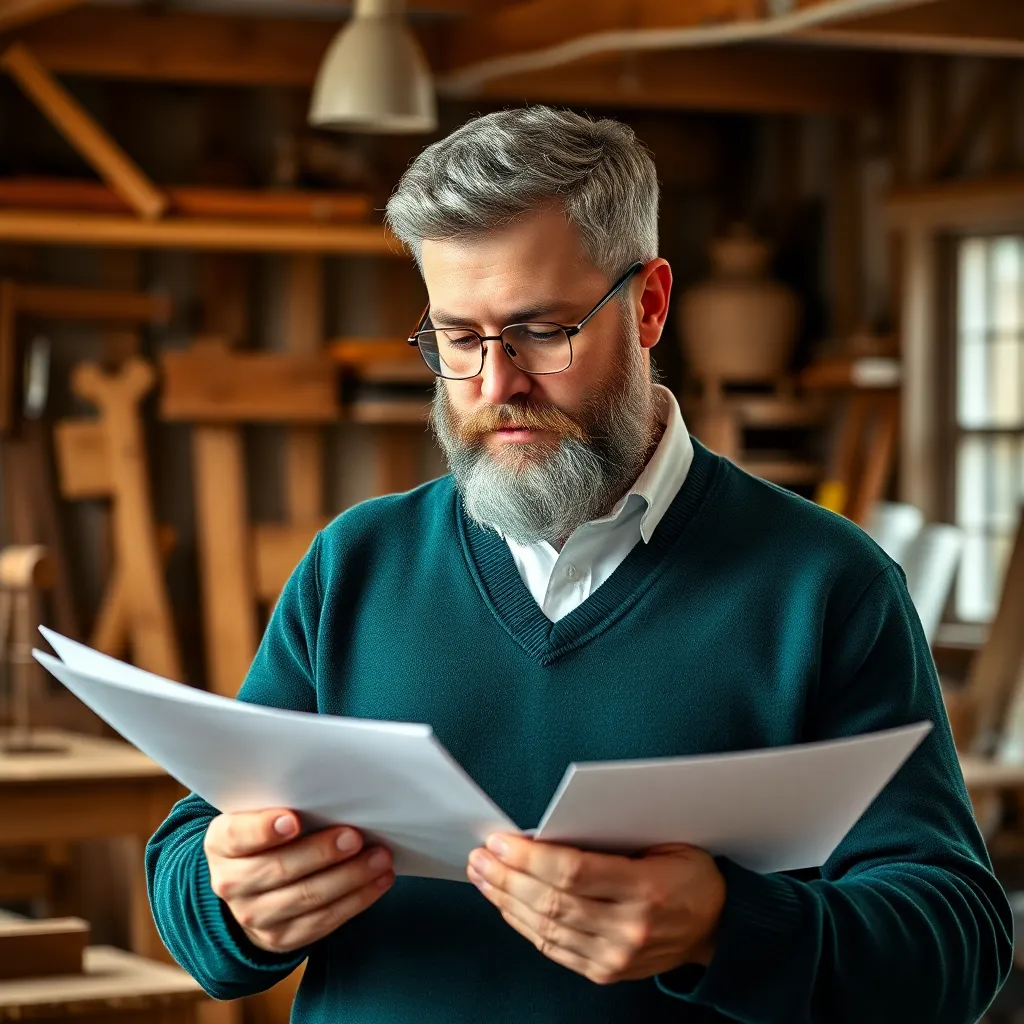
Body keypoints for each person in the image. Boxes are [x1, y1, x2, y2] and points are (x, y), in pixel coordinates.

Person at [147, 106, 1012, 1023]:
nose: (495, 384)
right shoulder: (354, 565)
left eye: (542, 330)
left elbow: (955, 948)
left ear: (648, 306)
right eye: (458, 336)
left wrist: (728, 927)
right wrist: (231, 900)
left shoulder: (826, 587)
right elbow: (191, 867)